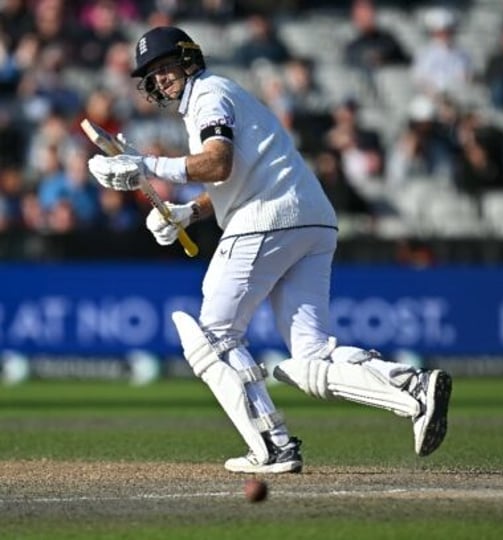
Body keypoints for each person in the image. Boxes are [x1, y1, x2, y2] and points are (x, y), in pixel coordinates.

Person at [86, 26, 452, 474]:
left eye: (165, 67)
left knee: (213, 336)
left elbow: (217, 164)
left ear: (188, 59)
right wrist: (189, 213)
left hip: (267, 219)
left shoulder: (209, 95)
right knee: (310, 356)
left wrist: (147, 164)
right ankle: (414, 387)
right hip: (310, 219)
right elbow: (241, 174)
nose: (161, 79)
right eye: (153, 74)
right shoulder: (221, 97)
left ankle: (273, 447)